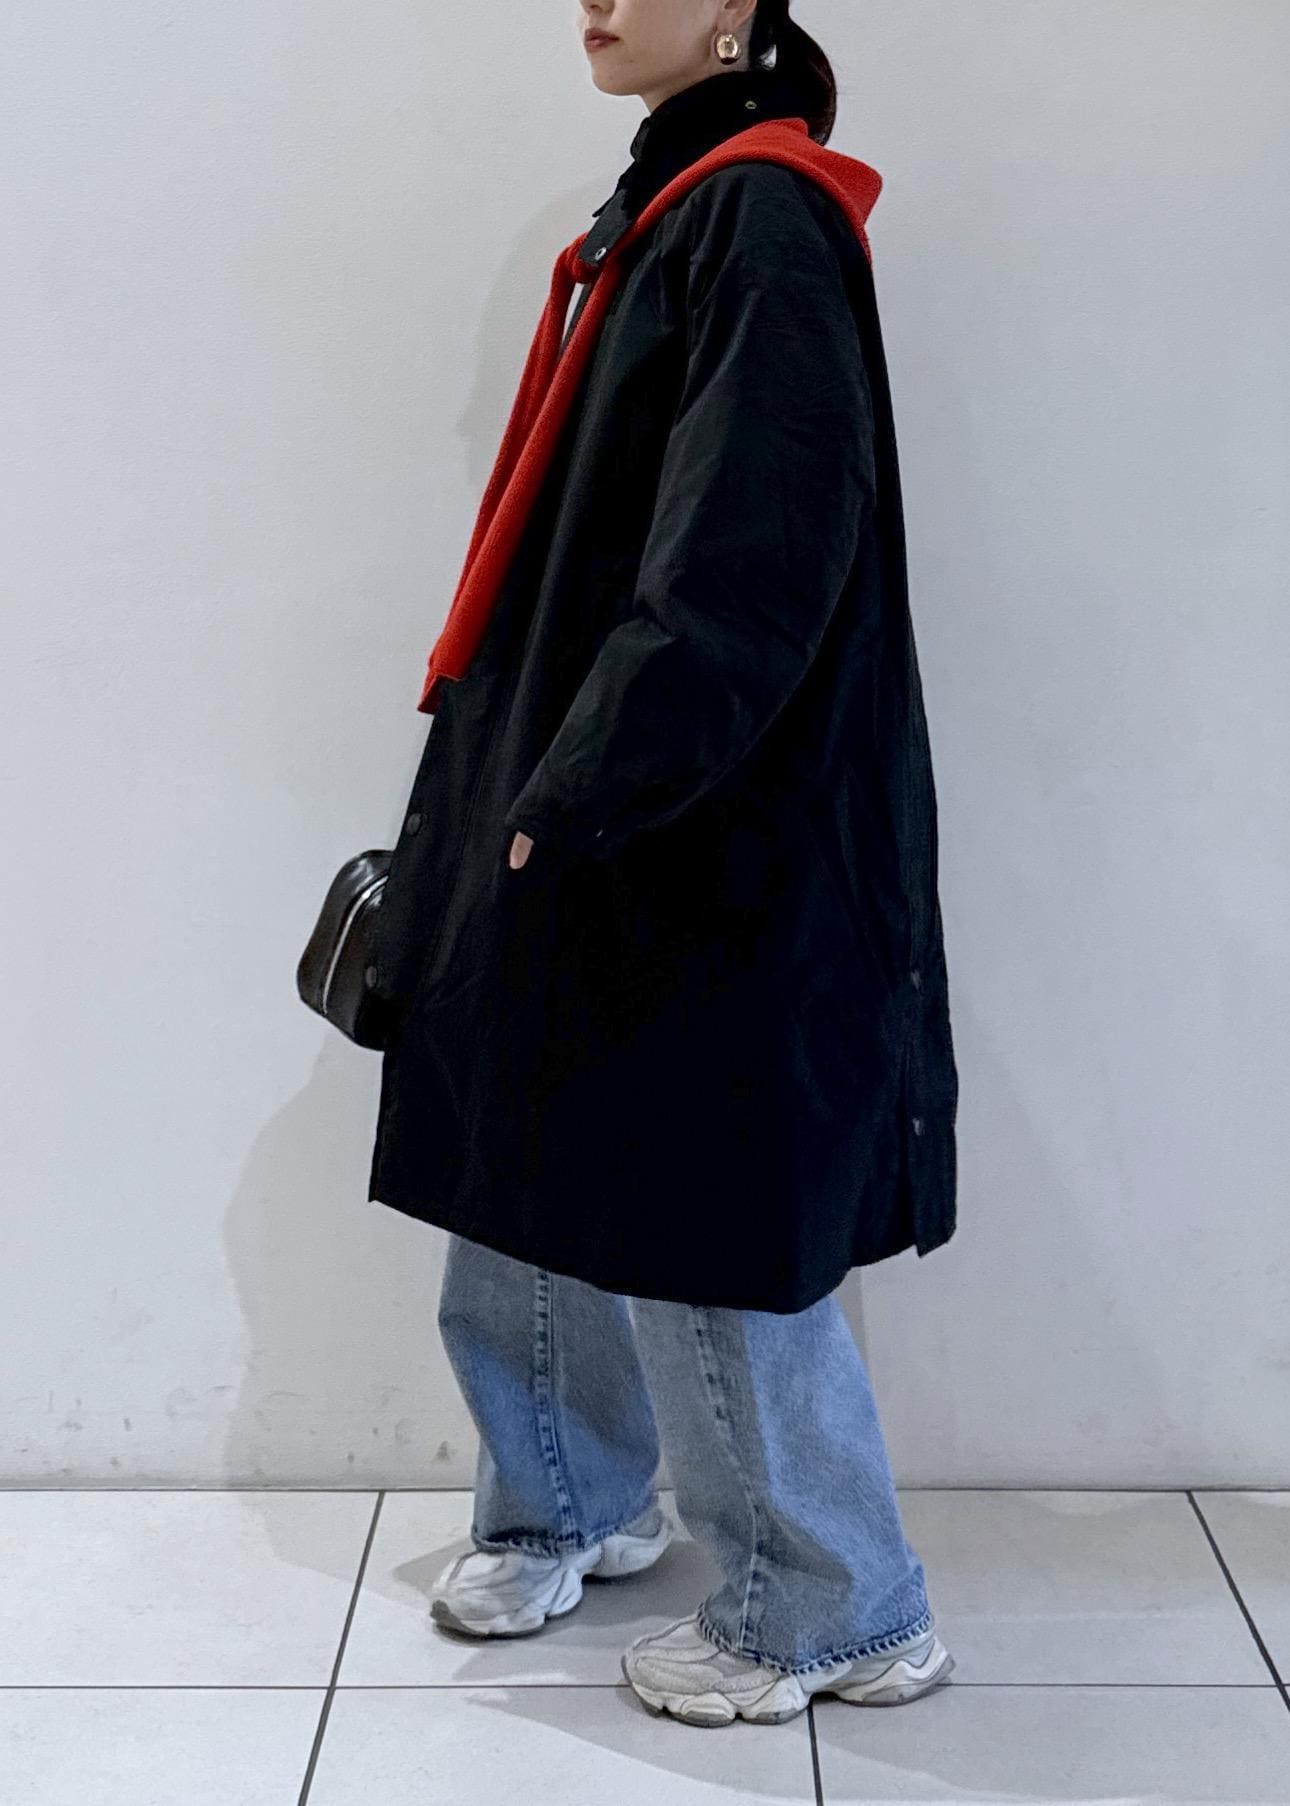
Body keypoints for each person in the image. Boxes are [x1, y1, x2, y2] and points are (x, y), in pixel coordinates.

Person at [367, 0, 960, 1728]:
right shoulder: (660, 208)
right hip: (563, 765)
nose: (598, 1)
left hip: (687, 804)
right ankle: (569, 1497)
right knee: (515, 1129)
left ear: (737, 15)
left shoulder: (759, 214)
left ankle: (834, 1605)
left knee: (710, 1201)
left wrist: (595, 781)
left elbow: (752, 551)